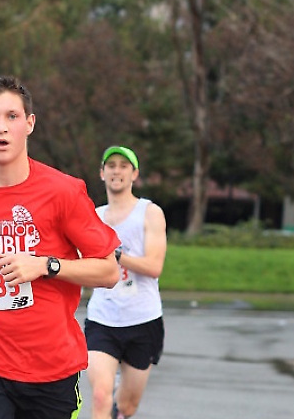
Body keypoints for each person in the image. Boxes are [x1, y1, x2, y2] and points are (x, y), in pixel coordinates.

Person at [0, 75, 121, 419]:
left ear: (29, 123)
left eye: (12, 116)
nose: (1, 127)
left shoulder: (63, 192)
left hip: (50, 368)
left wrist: (46, 265)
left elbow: (109, 271)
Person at [85, 146, 167, 419]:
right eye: (111, 166)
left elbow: (154, 267)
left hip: (142, 320)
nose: (116, 171)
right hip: (102, 319)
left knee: (127, 406)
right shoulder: (93, 217)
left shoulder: (149, 212)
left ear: (135, 174)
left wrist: (115, 255)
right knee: (100, 396)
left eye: (123, 166)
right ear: (102, 173)